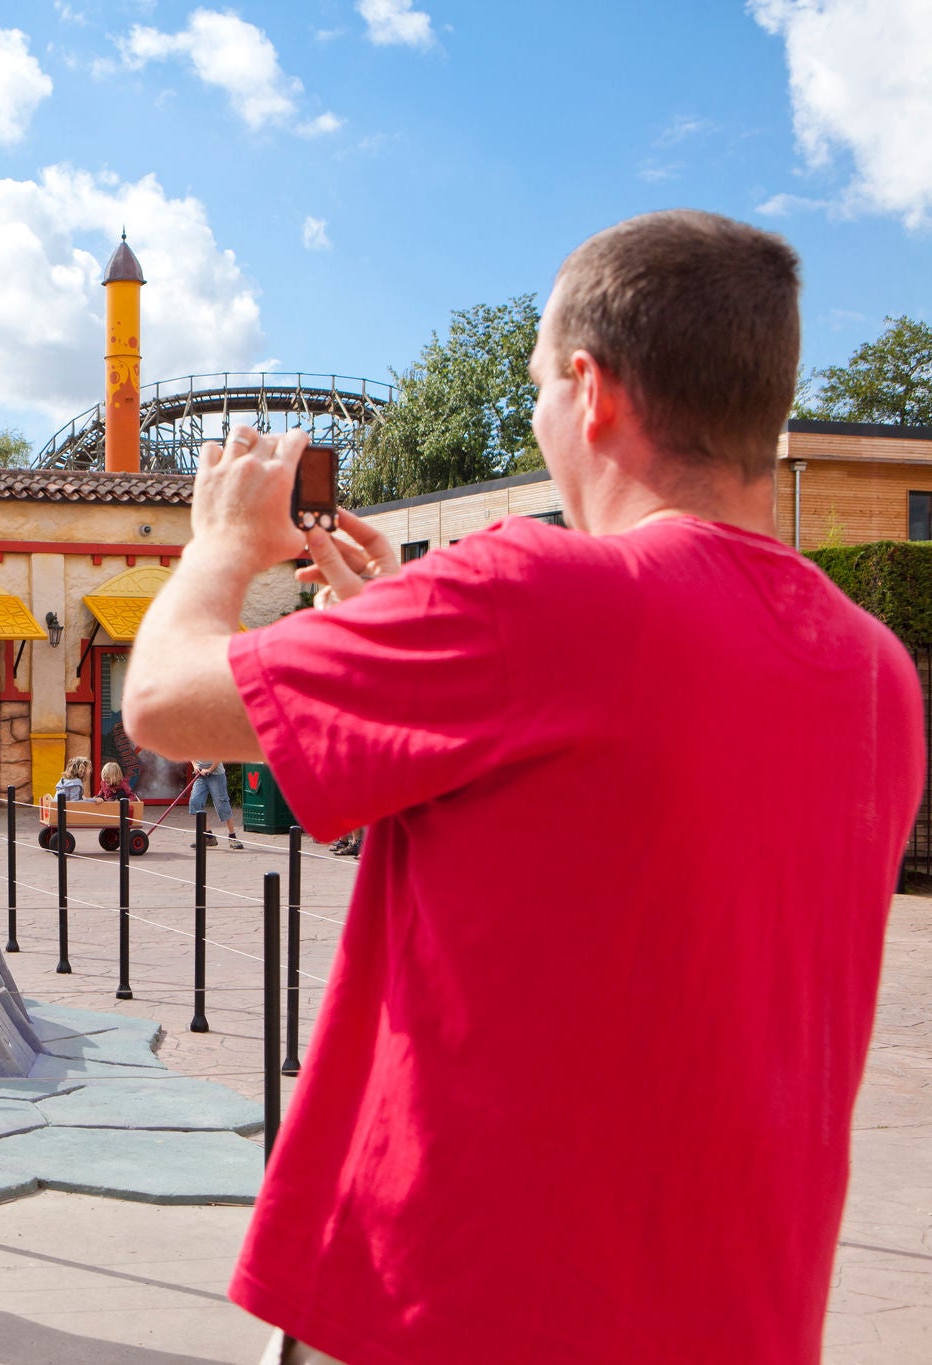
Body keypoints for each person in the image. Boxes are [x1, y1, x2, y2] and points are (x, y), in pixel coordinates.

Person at [122, 210, 923, 1365]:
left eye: (538, 383)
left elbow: (160, 700)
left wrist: (216, 546)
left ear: (589, 391)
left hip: (456, 1306)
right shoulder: (876, 674)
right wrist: (404, 636)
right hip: (735, 1317)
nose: (540, 411)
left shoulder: (534, 597)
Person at [188, 760, 244, 849]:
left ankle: (232, 837)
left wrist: (209, 770)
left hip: (216, 775)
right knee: (195, 802)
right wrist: (195, 766)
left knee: (222, 804)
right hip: (200, 775)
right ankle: (209, 837)